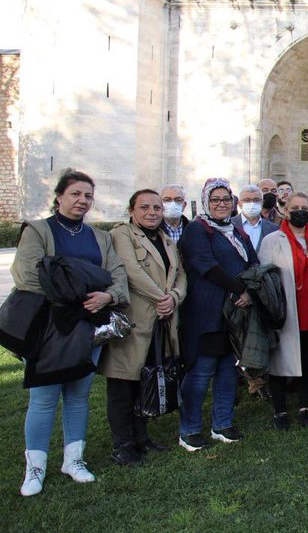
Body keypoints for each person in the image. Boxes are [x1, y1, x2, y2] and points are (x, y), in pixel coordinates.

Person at [14, 170, 129, 496]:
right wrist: (79, 293)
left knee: (78, 395)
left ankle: (73, 460)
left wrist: (109, 296)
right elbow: (28, 275)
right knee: (44, 397)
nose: (82, 201)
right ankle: (34, 468)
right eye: (76, 194)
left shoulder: (100, 237)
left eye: (88, 196)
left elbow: (116, 274)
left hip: (89, 326)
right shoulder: (38, 231)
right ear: (60, 196)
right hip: (51, 326)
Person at [102, 189, 187, 465]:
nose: (152, 212)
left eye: (157, 208)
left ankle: (141, 437)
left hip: (160, 322)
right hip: (134, 322)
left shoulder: (166, 240)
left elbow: (181, 275)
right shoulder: (122, 235)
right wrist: (161, 298)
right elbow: (131, 270)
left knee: (145, 380)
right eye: (144, 207)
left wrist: (173, 298)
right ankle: (123, 445)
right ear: (131, 211)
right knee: (123, 385)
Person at [177, 178, 257, 451]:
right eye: (215, 200)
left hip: (234, 313)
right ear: (206, 202)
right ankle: (189, 428)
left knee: (226, 369)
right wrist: (239, 290)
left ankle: (222, 423)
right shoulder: (198, 231)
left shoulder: (236, 232)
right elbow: (206, 266)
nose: (221, 204)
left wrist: (251, 290)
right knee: (201, 371)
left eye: (226, 199)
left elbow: (252, 262)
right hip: (207, 311)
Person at [259, 192, 308, 430]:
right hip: (285, 309)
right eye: (295, 207)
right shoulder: (272, 240)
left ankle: (304, 406)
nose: (300, 211)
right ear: (286, 211)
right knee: (280, 361)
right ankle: (280, 410)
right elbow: (264, 279)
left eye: (304, 208)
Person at [234, 184, 279, 252]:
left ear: (262, 203)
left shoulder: (274, 228)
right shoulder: (230, 225)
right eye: (247, 200)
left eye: (256, 200)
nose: (252, 203)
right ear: (239, 203)